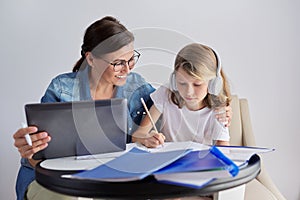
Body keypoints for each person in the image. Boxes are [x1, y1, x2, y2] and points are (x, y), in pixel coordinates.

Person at [13, 17, 232, 199]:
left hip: (112, 180)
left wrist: (220, 108)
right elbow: (37, 154)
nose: (126, 69)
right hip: (58, 182)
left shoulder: (137, 87)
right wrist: (30, 147)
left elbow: (179, 100)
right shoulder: (61, 89)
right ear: (90, 59)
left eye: (131, 59)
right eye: (118, 62)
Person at [132, 43, 231, 148]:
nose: (189, 92)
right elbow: (137, 135)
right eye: (182, 83)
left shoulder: (219, 109)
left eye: (197, 84)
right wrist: (146, 139)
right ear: (174, 81)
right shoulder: (166, 93)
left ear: (213, 84)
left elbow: (224, 149)